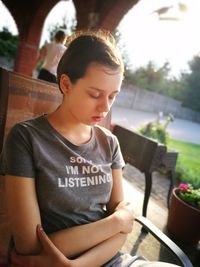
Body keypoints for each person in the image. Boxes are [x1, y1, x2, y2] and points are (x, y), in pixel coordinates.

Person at [0, 31, 180, 267]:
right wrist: (115, 222)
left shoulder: (109, 143)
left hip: (108, 260)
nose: (105, 108)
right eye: (95, 94)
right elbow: (31, 247)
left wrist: (77, 265)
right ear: (65, 84)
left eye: (113, 96)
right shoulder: (26, 138)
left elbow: (123, 232)